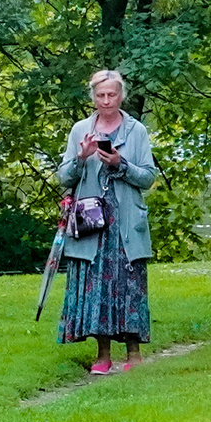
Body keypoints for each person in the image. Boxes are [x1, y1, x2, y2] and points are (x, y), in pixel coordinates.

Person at [56, 69, 159, 374]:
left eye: (111, 94)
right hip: (92, 224)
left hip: (126, 223)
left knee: (129, 285)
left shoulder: (136, 131)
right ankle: (102, 355)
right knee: (96, 284)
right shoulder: (80, 130)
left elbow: (148, 177)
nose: (106, 100)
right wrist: (80, 158)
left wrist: (121, 165)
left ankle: (134, 353)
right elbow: (63, 177)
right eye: (100, 95)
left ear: (121, 96)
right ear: (93, 98)